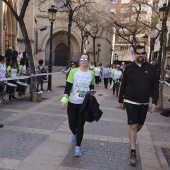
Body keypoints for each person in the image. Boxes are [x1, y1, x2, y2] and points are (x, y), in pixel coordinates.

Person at [118, 45, 159, 166]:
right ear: (134, 54)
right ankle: (132, 151)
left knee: (139, 126)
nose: (140, 55)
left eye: (142, 53)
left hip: (144, 103)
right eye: (138, 53)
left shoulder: (151, 68)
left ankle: (133, 135)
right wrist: (121, 100)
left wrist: (154, 102)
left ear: (145, 54)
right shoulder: (129, 68)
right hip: (130, 101)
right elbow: (123, 84)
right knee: (133, 126)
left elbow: (155, 87)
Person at [60, 53, 95, 157]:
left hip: (84, 105)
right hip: (72, 102)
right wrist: (64, 99)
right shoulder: (74, 72)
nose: (84, 60)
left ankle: (78, 147)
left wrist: (91, 96)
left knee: (80, 125)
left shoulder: (91, 73)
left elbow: (92, 87)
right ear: (79, 61)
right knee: (72, 125)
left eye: (86, 59)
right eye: (82, 59)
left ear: (88, 61)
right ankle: (73, 133)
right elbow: (68, 87)